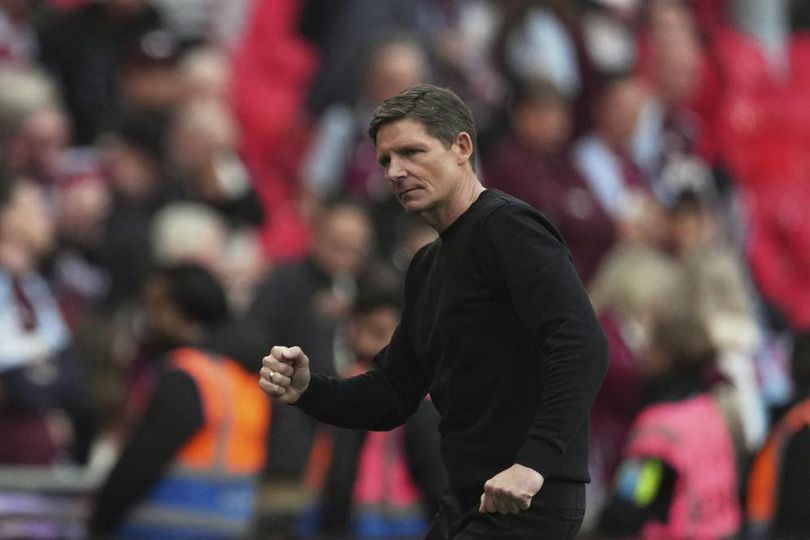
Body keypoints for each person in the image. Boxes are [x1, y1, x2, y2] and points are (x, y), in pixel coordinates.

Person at [260, 83, 608, 539]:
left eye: (411, 152)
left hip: (526, 501)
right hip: (466, 500)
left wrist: (533, 465)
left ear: (462, 147)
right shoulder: (426, 266)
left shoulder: (508, 228)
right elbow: (393, 393)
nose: (395, 172)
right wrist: (309, 390)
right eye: (385, 160)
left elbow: (581, 343)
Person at [90, 264, 270, 539]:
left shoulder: (188, 375)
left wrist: (100, 519)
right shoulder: (244, 373)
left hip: (165, 524)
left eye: (156, 306)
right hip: (229, 522)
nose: (149, 318)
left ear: (183, 311)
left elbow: (142, 459)